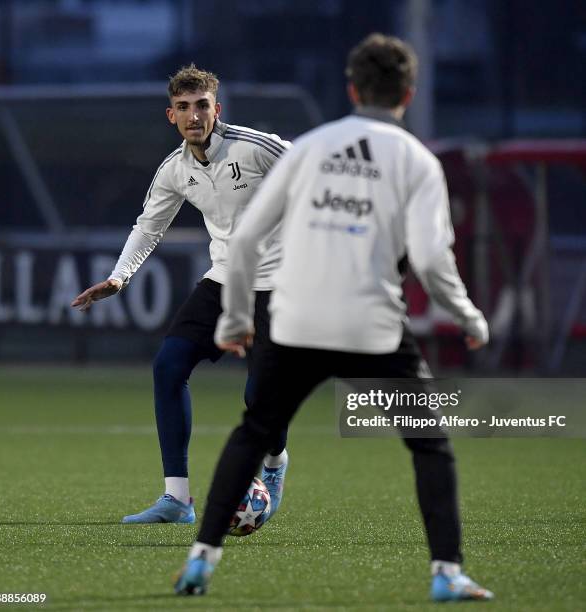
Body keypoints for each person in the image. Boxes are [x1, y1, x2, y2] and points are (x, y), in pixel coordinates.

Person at [173, 34, 494, 602]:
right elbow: (429, 258)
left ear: (352, 89)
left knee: (255, 432)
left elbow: (244, 238)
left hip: (297, 320)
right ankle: (447, 573)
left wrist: (234, 319)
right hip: (372, 326)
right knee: (429, 443)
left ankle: (200, 562)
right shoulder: (417, 160)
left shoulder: (311, 147)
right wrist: (467, 316)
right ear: (408, 93)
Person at [71, 64, 290, 525]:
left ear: (217, 109)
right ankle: (176, 499)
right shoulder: (174, 170)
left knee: (260, 396)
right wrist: (119, 278)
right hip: (224, 280)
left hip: (281, 284)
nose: (194, 116)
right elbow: (148, 226)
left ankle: (274, 464)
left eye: (202, 106)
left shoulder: (257, 147)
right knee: (168, 366)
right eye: (184, 108)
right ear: (171, 115)